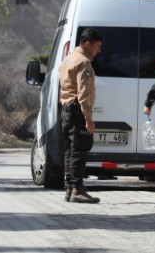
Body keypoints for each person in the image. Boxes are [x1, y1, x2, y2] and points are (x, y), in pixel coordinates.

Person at [59, 27, 103, 204]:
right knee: (80, 150)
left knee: (70, 149)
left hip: (66, 109)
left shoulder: (68, 58)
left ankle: (69, 188)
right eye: (97, 46)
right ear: (87, 44)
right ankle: (77, 189)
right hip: (77, 110)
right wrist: (89, 119)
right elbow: (84, 94)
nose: (99, 50)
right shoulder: (84, 62)